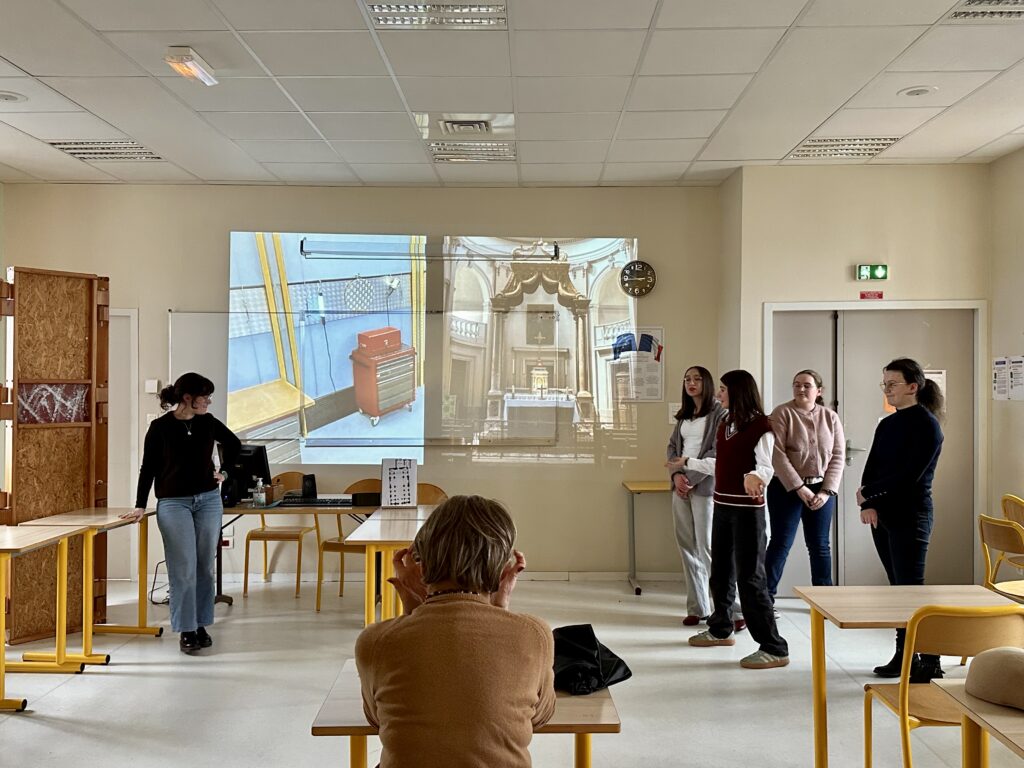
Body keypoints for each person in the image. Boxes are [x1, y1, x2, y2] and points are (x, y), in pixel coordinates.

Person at [355, 495, 556, 768]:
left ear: (420, 562)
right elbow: (539, 717)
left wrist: (414, 612)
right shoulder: (535, 635)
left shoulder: (376, 641)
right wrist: (500, 610)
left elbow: (378, 717)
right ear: (503, 568)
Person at [667, 370, 790, 669]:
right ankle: (720, 628)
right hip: (722, 506)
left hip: (748, 512)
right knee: (720, 572)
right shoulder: (727, 422)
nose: (719, 394)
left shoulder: (762, 426)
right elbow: (720, 462)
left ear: (738, 391)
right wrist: (688, 463)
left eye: (723, 389)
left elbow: (765, 467)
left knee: (750, 578)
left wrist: (753, 477)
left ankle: (774, 647)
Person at [122, 372, 240, 654]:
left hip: (209, 500)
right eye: (205, 397)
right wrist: (140, 504)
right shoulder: (160, 428)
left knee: (204, 567)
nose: (209, 401)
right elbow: (147, 468)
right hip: (174, 503)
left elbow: (234, 446)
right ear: (187, 398)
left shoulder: (208, 423)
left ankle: (201, 624)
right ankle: (186, 629)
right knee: (183, 568)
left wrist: (223, 473)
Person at [858, 357, 944, 681]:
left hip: (912, 515)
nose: (888, 390)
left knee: (911, 589)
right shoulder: (887, 423)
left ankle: (928, 656)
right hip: (884, 515)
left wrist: (869, 494)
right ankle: (904, 654)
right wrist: (867, 502)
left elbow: (909, 477)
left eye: (892, 384)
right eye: (885, 384)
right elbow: (873, 466)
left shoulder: (927, 425)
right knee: (898, 588)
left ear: (913, 386)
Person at [764, 370, 845, 610]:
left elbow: (838, 456)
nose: (801, 389)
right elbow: (777, 455)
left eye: (807, 385)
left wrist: (826, 491)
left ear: (818, 391)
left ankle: (824, 601)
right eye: (796, 384)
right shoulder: (782, 413)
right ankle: (765, 599)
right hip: (786, 488)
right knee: (780, 542)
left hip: (822, 490)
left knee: (820, 545)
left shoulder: (831, 418)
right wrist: (800, 488)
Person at [665, 366, 729, 626]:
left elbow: (717, 453)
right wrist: (676, 477)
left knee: (707, 547)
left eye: (697, 379)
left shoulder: (719, 413)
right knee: (687, 547)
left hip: (704, 487)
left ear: (708, 383)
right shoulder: (684, 415)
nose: (691, 383)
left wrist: (690, 479)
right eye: (687, 379)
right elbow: (672, 447)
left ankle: (728, 610)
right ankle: (697, 607)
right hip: (681, 486)